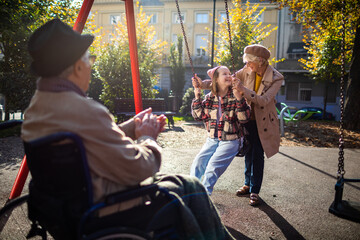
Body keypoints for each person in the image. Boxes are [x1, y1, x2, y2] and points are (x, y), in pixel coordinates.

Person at [22, 18, 235, 240]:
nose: (91, 66)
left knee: (187, 182)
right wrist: (147, 138)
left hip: (62, 210)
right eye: (90, 60)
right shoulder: (86, 111)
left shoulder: (36, 109)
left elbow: (86, 141)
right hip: (103, 208)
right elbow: (140, 169)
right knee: (192, 187)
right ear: (77, 66)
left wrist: (130, 128)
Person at [194, 44, 284, 206]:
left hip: (262, 120)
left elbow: (264, 100)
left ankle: (255, 190)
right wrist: (203, 85)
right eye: (247, 63)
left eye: (250, 63)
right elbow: (225, 79)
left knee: (257, 153)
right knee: (248, 152)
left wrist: (242, 89)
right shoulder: (247, 70)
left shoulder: (277, 77)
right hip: (245, 116)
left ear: (261, 61)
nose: (247, 66)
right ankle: (247, 183)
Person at [190, 66, 251, 195]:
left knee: (212, 167)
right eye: (225, 74)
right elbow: (198, 116)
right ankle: (191, 191)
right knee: (198, 162)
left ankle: (204, 196)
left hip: (231, 140)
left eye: (230, 73)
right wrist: (197, 94)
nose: (229, 75)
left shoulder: (236, 95)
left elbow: (244, 118)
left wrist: (239, 99)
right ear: (216, 80)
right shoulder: (209, 98)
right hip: (212, 139)